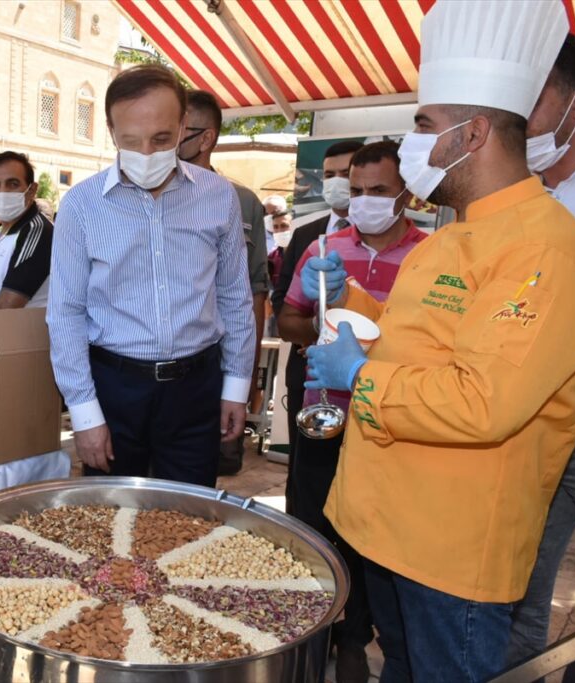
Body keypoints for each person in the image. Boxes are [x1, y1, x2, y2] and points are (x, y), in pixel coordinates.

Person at [304, 3, 575, 680]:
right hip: (385, 523)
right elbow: (418, 335)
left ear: (474, 133)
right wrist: (350, 299)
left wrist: (360, 376)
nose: (413, 142)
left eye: (424, 125)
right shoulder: (455, 233)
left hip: (451, 548)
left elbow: (483, 401)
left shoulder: (546, 249)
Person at [48, 64, 254, 488]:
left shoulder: (218, 196)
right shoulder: (82, 205)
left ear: (182, 125)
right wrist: (84, 414)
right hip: (115, 387)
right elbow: (66, 312)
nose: (146, 153)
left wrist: (235, 387)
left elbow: (234, 294)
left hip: (196, 388)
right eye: (131, 141)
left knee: (190, 513)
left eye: (161, 139)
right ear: (111, 131)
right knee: (112, 514)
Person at [280, 140, 427, 682]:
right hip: (324, 415)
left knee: (372, 538)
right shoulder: (325, 247)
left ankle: (355, 638)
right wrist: (320, 325)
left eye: (379, 191)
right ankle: (310, 635)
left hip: (388, 419)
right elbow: (287, 320)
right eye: (358, 190)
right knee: (313, 527)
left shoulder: (429, 256)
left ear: (407, 193)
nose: (364, 201)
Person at [508, 32, 575, 681]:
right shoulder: (519, 193)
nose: (518, 117)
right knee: (520, 579)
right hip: (525, 407)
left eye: (532, 100)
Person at [179, 89, 268, 476]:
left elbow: (253, 294)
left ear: (206, 138)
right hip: (154, 367)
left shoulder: (242, 201)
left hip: (214, 363)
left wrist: (244, 379)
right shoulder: (145, 193)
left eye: (177, 130)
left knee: (205, 473)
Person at [271, 139, 363, 512]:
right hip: (311, 378)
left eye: (346, 174)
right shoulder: (307, 235)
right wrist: (316, 330)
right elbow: (283, 304)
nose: (337, 182)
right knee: (306, 483)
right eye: (329, 175)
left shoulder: (402, 244)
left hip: (367, 383)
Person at [0, 151, 52, 326]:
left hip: (22, 338)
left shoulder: (37, 232)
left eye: (13, 184)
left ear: (31, 190)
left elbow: (7, 306)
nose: (2, 192)